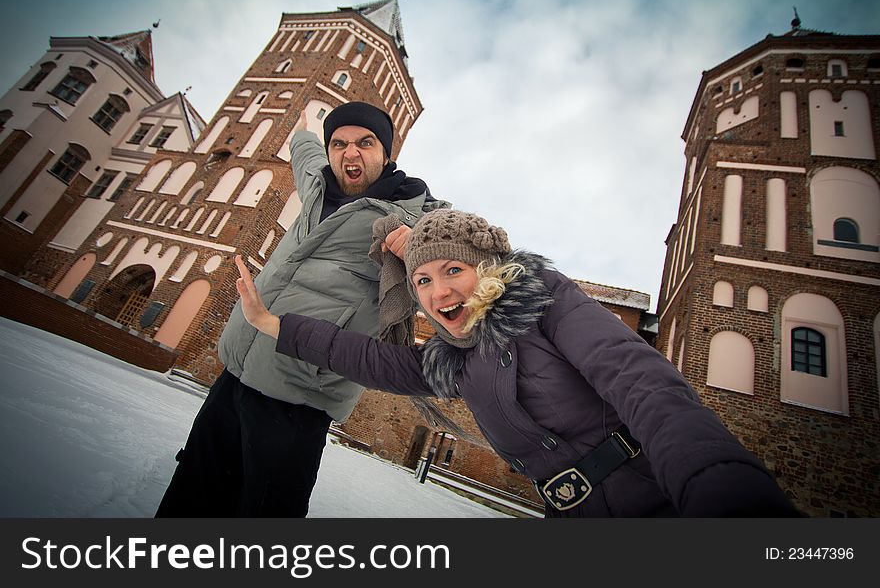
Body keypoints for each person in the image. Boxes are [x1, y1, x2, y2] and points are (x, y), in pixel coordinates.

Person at [233, 209, 801, 517]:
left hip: (660, 497)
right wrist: (274, 325)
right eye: (423, 281)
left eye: (453, 270)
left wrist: (719, 490)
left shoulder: (546, 301)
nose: (436, 291)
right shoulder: (452, 358)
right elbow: (372, 361)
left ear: (490, 269)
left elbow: (641, 381)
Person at [155, 101, 449, 517]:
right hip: (236, 371)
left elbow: (469, 253)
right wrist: (303, 129)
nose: (350, 153)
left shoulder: (416, 214)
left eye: (366, 143)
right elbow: (305, 151)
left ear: (386, 153)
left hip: (300, 392)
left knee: (264, 512)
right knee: (192, 493)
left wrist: (422, 249)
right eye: (339, 143)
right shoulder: (316, 181)